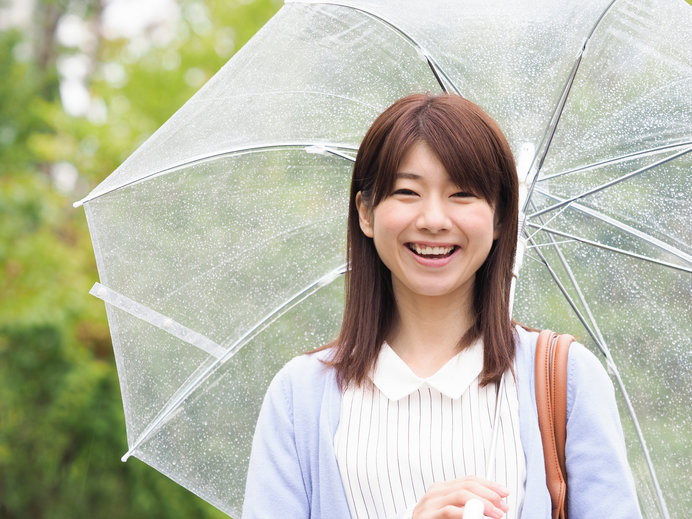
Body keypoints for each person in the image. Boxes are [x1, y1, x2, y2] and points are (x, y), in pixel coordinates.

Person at [242, 93, 641, 519]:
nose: (433, 219)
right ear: (365, 212)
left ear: (501, 216)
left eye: (462, 194)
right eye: (407, 191)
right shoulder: (300, 397)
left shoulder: (566, 380)